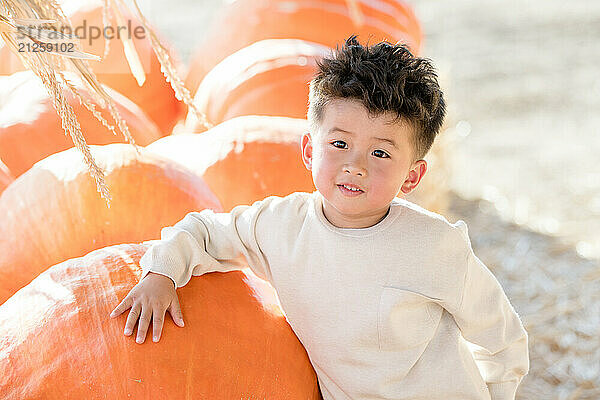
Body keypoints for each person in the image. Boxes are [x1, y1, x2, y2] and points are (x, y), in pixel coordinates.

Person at [109, 35, 529, 400]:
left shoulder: (435, 246)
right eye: (340, 144)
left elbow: (501, 339)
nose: (355, 166)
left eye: (380, 152)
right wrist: (161, 274)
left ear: (412, 176)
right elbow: (205, 231)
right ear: (310, 149)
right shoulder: (280, 227)